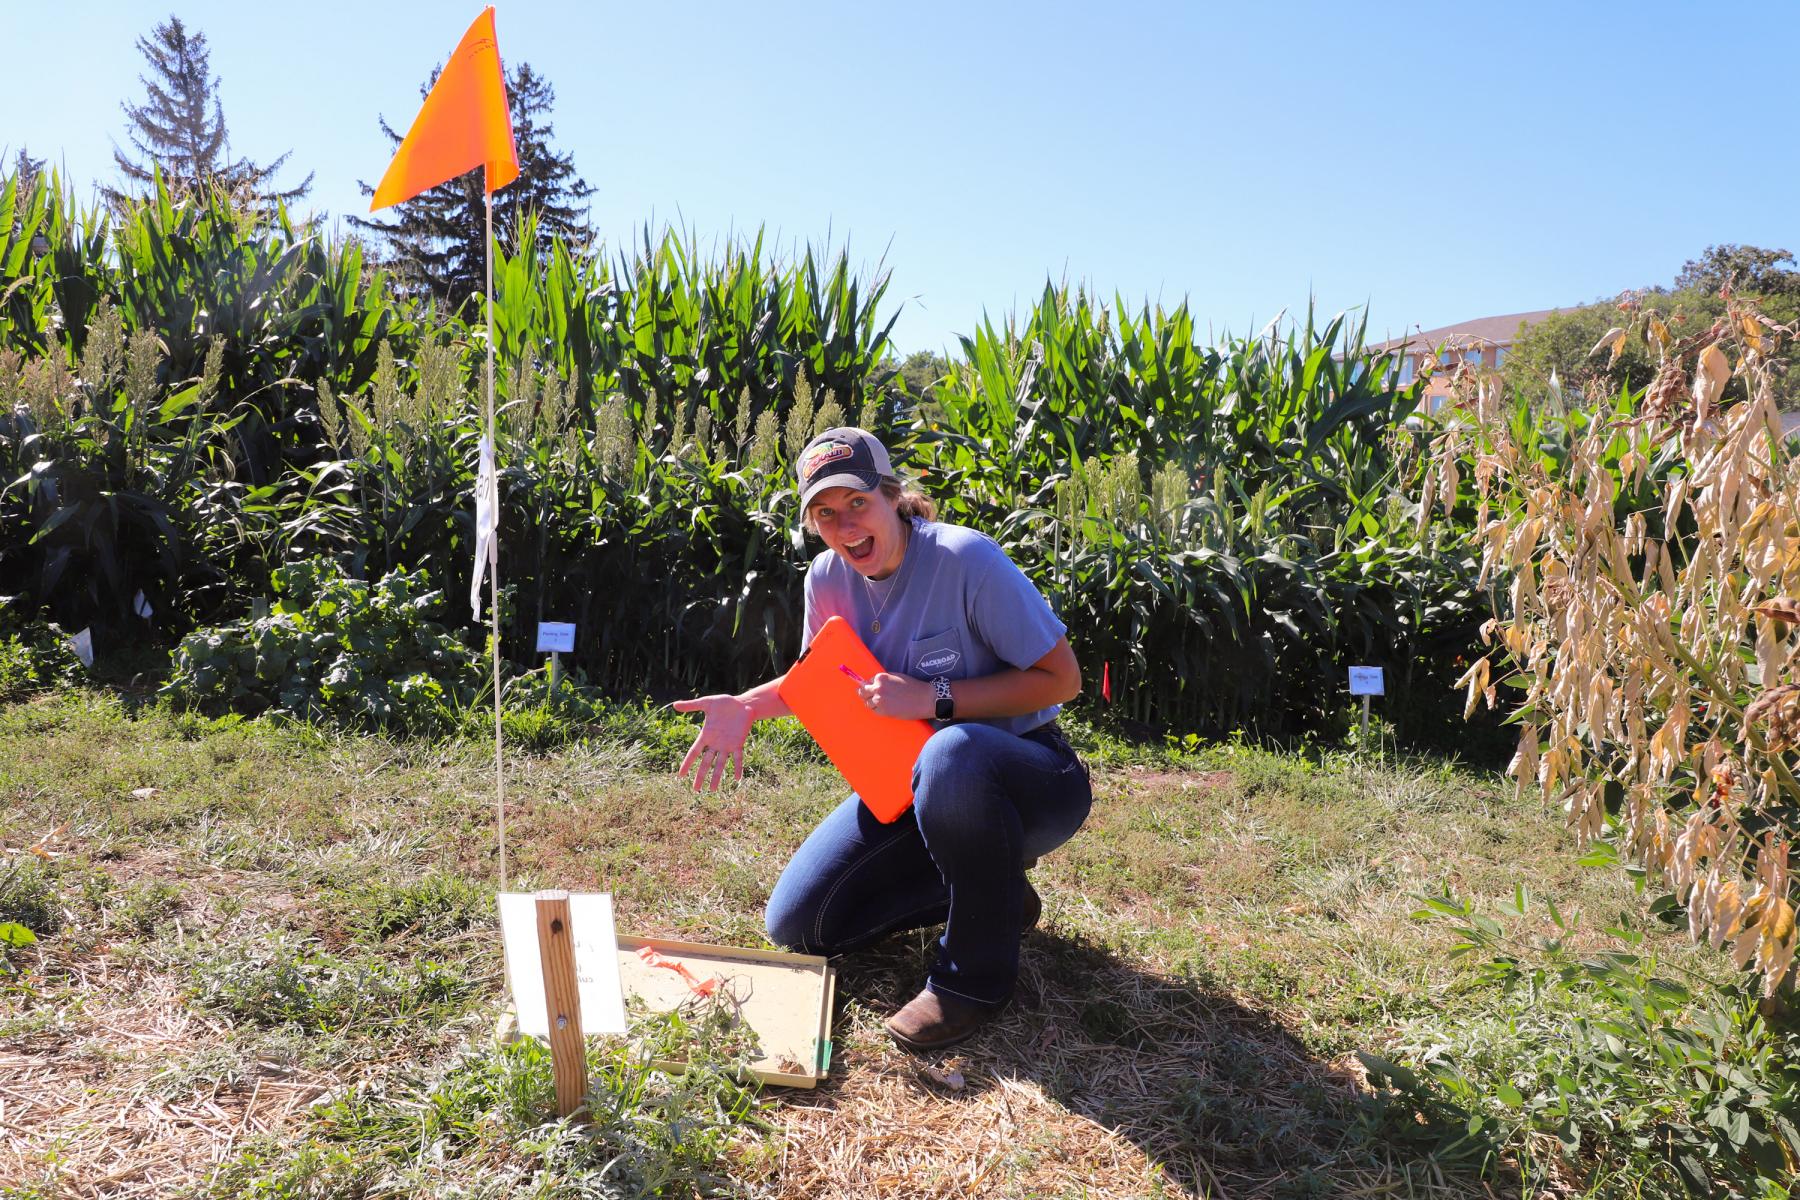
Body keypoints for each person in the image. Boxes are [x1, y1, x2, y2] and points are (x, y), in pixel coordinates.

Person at [674, 426, 1093, 1051]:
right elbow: (822, 681)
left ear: (891, 494)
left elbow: (1062, 680)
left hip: (1031, 777)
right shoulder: (827, 579)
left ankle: (970, 982)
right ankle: (998, 894)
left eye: (858, 504)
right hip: (914, 785)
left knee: (951, 750)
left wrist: (934, 700)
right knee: (798, 924)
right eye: (825, 514)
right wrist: (746, 707)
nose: (846, 527)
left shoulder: (964, 560)